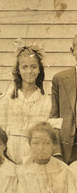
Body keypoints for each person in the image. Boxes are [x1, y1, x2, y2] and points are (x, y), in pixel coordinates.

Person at [0, 44, 55, 164]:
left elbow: (48, 134)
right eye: (24, 67)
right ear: (18, 70)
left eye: (33, 67)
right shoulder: (7, 97)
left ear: (39, 70)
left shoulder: (46, 101)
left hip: (35, 158)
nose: (29, 71)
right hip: (8, 158)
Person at [17, 122, 77, 193]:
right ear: (30, 144)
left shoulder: (64, 170)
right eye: (36, 143)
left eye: (46, 143)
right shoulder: (22, 172)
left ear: (53, 145)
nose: (41, 148)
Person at [50, 34, 77, 164]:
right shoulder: (60, 79)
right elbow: (54, 118)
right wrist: (56, 150)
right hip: (69, 147)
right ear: (72, 51)